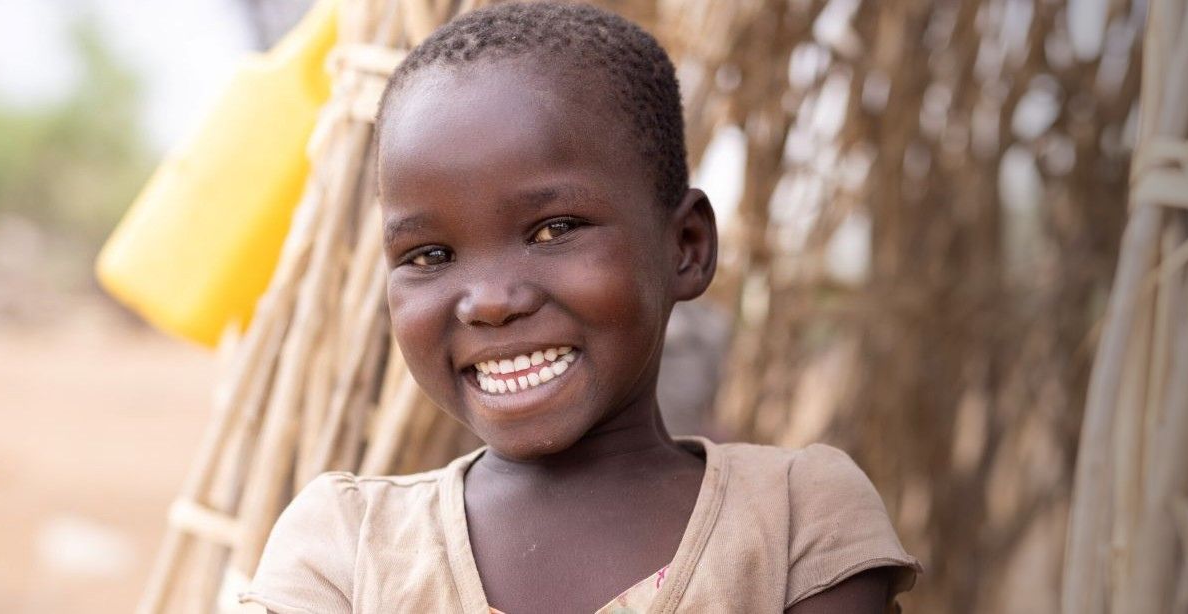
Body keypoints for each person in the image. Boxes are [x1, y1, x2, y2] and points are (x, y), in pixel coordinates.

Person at [239, 3, 919, 612]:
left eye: (553, 231)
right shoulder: (344, 548)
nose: (490, 302)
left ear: (685, 246)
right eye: (430, 256)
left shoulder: (797, 519)